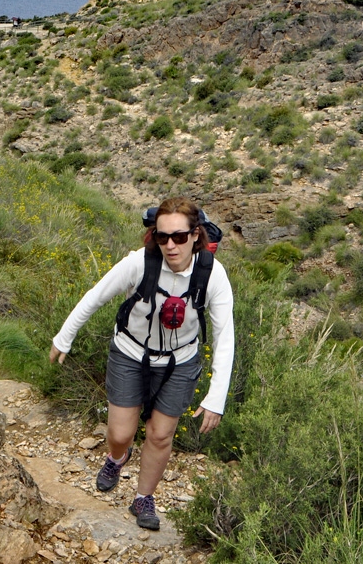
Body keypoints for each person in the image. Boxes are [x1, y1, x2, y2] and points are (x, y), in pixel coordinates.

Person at [49, 197, 235, 531]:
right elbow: (97, 295)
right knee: (120, 434)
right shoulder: (140, 263)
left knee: (161, 435)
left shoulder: (212, 275)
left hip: (180, 361)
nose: (170, 245)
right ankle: (118, 457)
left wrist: (216, 395)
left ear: (196, 235)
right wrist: (64, 337)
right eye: (162, 237)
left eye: (179, 237)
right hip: (131, 353)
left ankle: (143, 498)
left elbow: (224, 336)